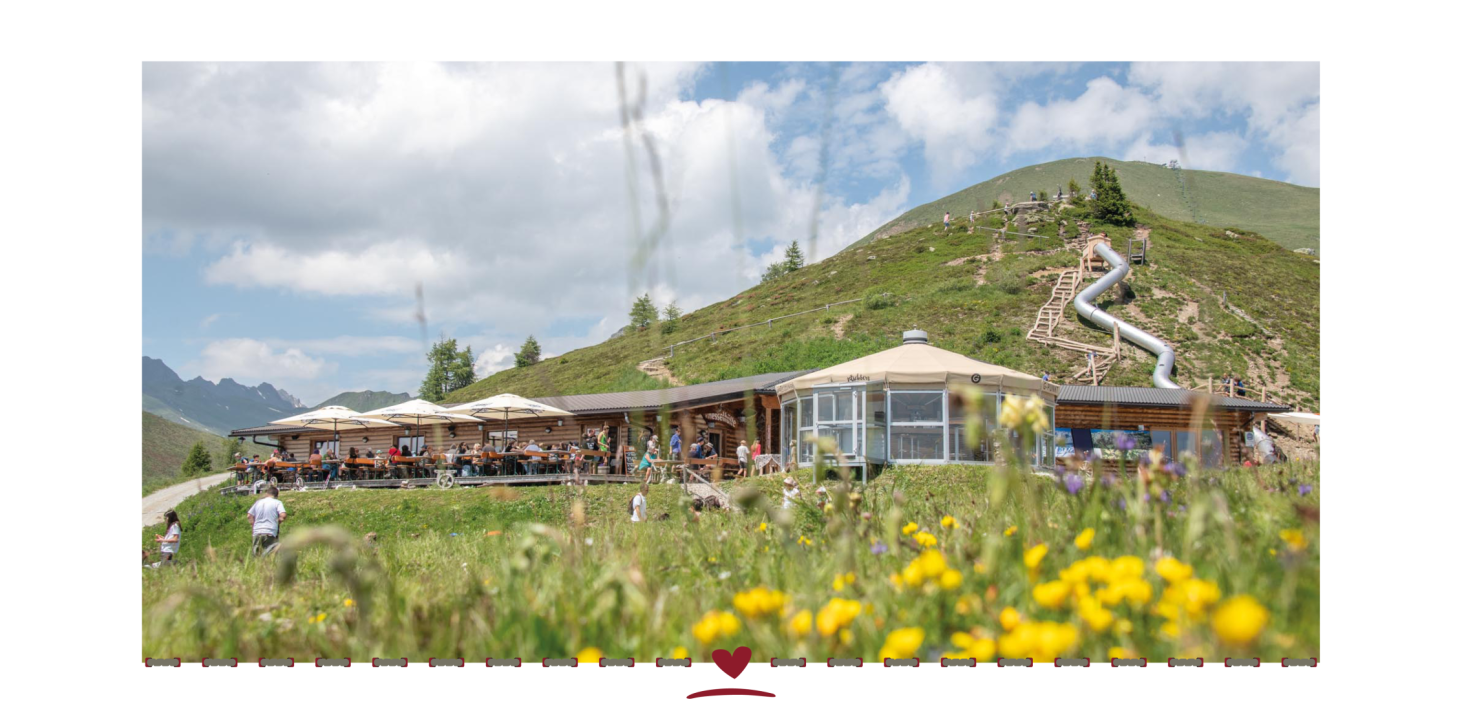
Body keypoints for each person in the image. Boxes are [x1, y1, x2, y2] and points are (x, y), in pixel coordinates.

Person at [247, 486, 288, 557]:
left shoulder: (258, 502)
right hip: (270, 532)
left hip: (257, 532)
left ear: (267, 493)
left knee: (256, 556)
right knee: (271, 556)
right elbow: (283, 515)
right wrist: (278, 521)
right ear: (276, 495)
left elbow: (249, 516)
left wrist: (253, 525)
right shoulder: (277, 502)